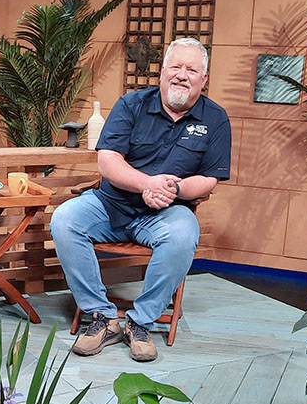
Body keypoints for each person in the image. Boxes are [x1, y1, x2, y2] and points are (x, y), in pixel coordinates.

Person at [50, 37, 231, 362]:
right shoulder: (131, 104)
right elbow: (108, 161)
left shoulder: (215, 119)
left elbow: (208, 180)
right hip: (111, 205)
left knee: (183, 234)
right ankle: (103, 316)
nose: (181, 74)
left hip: (167, 212)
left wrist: (172, 190)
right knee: (64, 220)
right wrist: (148, 183)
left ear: (203, 80)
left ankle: (140, 321)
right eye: (175, 66)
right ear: (162, 72)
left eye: (191, 69)